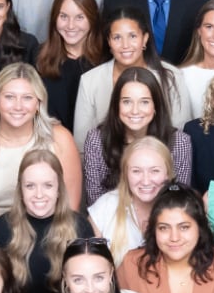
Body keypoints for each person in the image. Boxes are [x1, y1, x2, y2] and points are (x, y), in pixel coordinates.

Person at [0, 63, 83, 219]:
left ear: (38, 104)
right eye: (9, 97)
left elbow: (70, 209)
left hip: (53, 235)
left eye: (27, 97)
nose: (18, 106)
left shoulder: (60, 139)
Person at [0, 149, 95, 293]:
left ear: (58, 189)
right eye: (30, 186)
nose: (39, 194)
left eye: (48, 185)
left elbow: (89, 285)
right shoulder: (2, 228)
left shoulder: (80, 227)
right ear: (21, 190)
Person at [73, 7, 189, 144]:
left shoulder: (171, 77)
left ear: (145, 38)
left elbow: (180, 136)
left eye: (132, 36)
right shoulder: (90, 81)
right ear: (109, 42)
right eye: (117, 38)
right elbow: (81, 144)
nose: (125, 45)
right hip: (106, 161)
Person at [82, 67, 191, 205]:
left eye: (144, 102)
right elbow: (94, 200)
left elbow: (178, 199)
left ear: (155, 106)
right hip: (111, 222)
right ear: (116, 106)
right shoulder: (96, 140)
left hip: (160, 222)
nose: (135, 110)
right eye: (127, 102)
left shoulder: (179, 142)